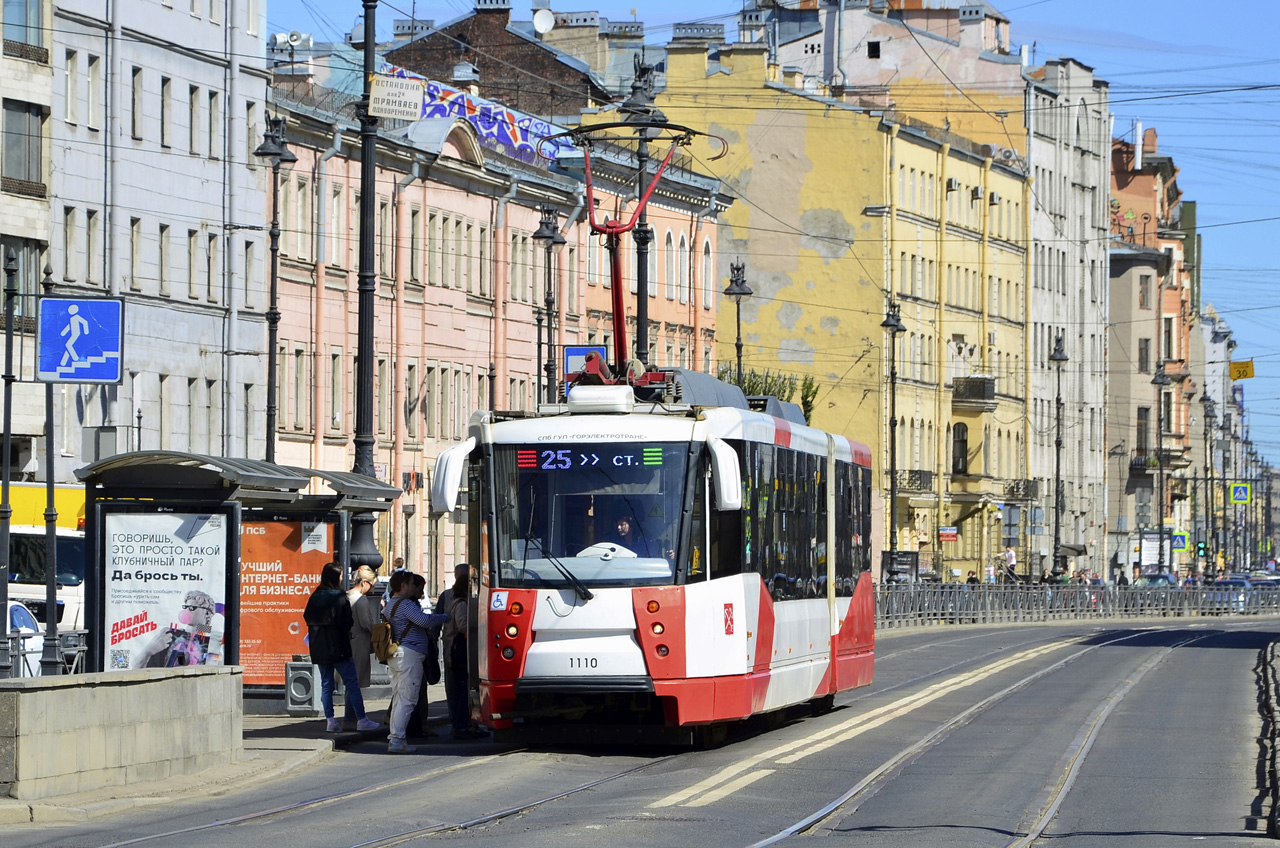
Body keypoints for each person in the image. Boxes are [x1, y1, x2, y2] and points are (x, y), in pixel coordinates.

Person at [304, 563, 381, 734]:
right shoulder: (339, 597)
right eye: (340, 577)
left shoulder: (315, 596)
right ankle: (361, 719)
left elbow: (307, 616)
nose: (342, 579)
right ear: (335, 578)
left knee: (326, 684)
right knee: (352, 683)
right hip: (339, 645)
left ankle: (330, 721)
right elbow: (347, 621)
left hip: (319, 645)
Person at [385, 570, 450, 754]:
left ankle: (396, 738)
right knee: (407, 699)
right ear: (403, 585)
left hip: (399, 655)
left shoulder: (391, 603)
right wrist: (445, 616)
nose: (415, 588)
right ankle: (397, 740)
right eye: (412, 584)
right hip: (408, 655)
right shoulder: (404, 604)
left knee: (400, 697)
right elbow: (424, 620)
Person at [439, 564, 488, 740]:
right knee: (459, 692)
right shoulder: (460, 604)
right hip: (458, 653)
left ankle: (468, 724)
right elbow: (463, 626)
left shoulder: (463, 603)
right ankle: (460, 726)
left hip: (461, 653)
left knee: (465, 690)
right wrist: (480, 626)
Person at [134, 589, 219, 668]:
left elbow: (207, 631)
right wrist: (148, 651)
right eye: (185, 607)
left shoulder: (214, 637)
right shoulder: (169, 635)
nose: (186, 612)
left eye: (192, 608)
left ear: (206, 612)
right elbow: (136, 666)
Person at [343, 565, 379, 727]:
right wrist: (377, 633)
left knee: (349, 681)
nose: (371, 589)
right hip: (359, 642)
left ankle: (350, 717)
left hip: (346, 642)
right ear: (364, 582)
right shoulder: (360, 599)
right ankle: (354, 718)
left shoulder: (345, 596)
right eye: (371, 585)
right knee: (355, 682)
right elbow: (366, 623)